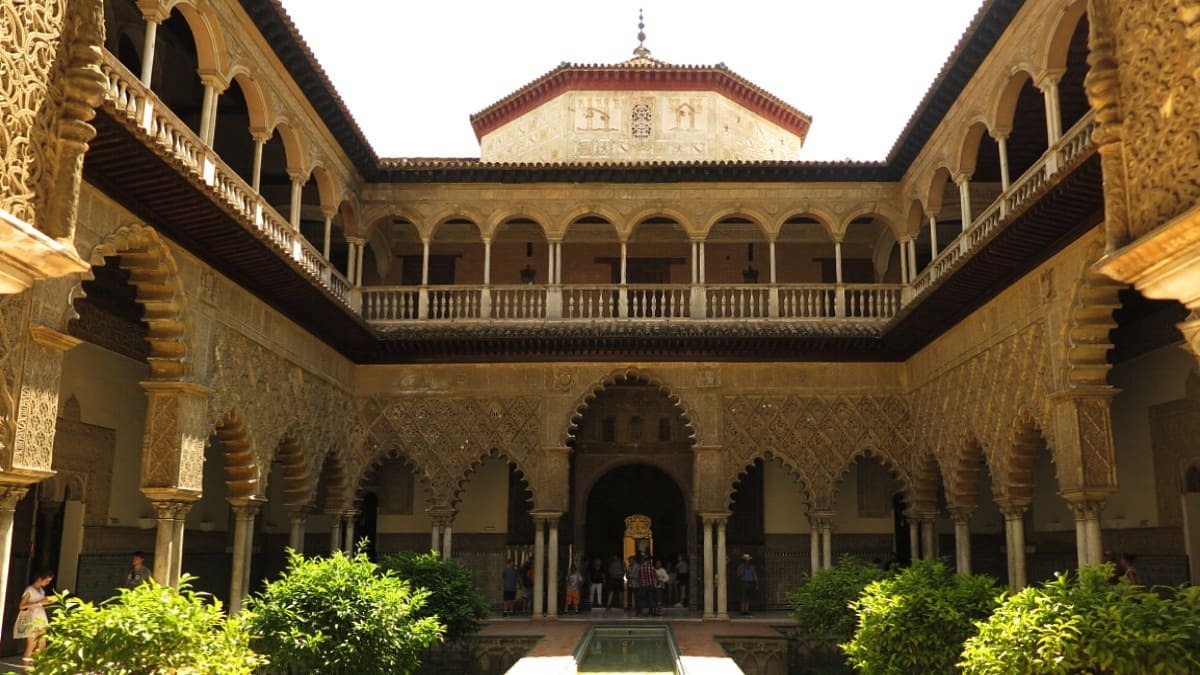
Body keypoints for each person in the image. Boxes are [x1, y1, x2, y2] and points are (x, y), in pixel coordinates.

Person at [15, 570, 54, 663]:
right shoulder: (29, 590)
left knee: (42, 644)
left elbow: (39, 603)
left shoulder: (41, 590)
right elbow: (22, 606)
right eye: (47, 581)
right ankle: (26, 669)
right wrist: (39, 602)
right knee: (32, 645)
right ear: (40, 579)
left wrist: (46, 602)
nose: (48, 583)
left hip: (41, 618)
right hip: (32, 619)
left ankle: (37, 666)